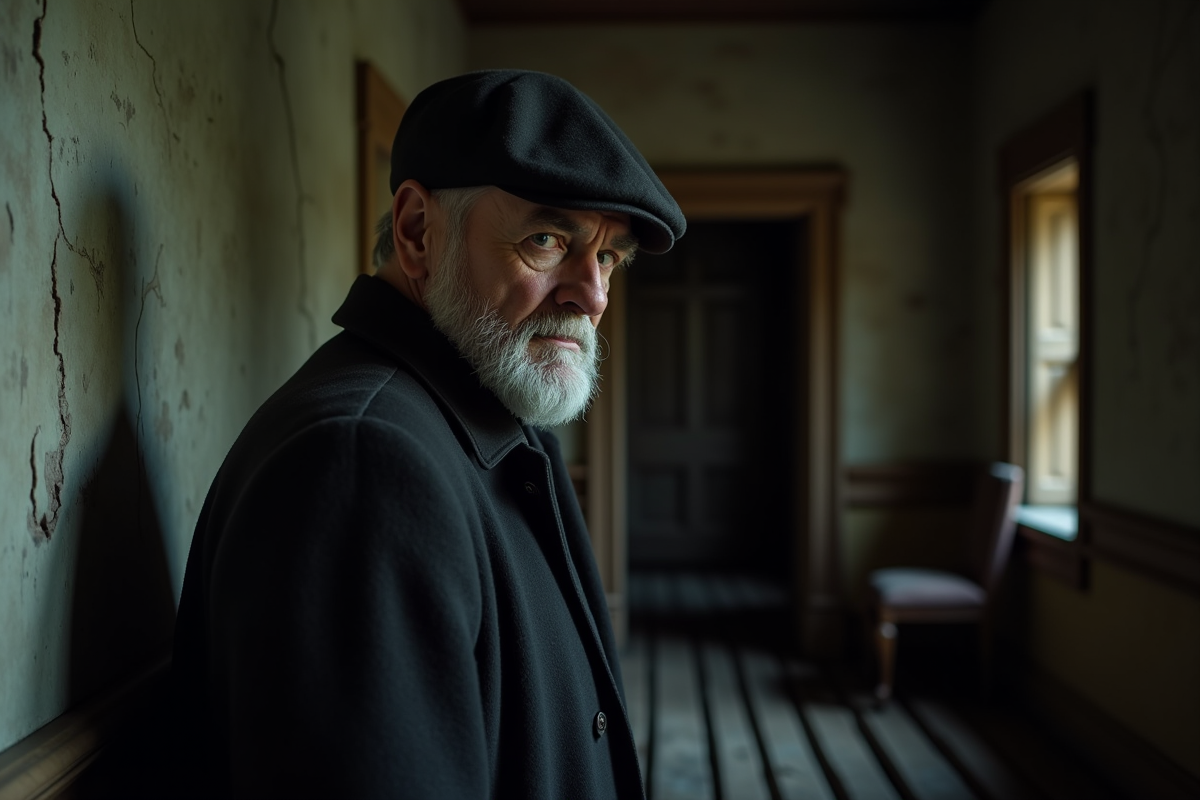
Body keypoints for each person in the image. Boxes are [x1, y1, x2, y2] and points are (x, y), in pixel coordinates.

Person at [171, 70, 685, 799]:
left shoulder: (492, 403)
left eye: (607, 257)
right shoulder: (362, 466)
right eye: (547, 240)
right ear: (417, 231)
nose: (594, 296)